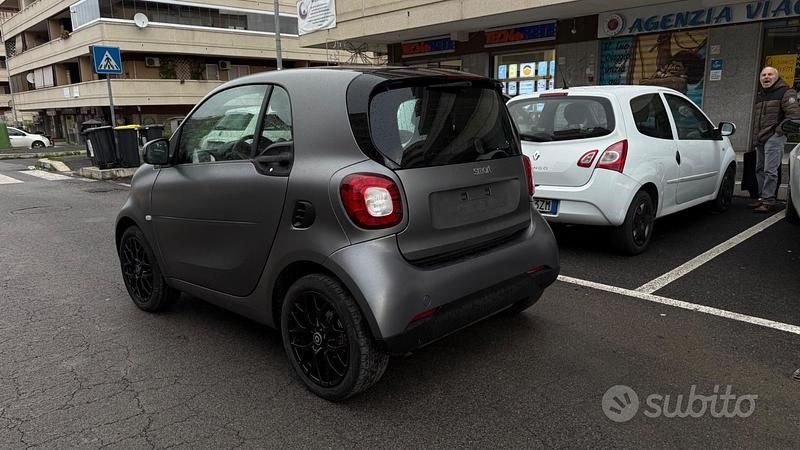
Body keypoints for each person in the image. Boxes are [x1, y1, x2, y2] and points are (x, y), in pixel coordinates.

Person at [750, 66, 800, 212]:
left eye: (770, 74)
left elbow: (795, 117)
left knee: (770, 170)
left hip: (774, 137)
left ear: (776, 77)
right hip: (760, 138)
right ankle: (761, 197)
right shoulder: (761, 94)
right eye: (763, 75)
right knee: (759, 169)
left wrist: (777, 132)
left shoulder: (785, 92)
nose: (766, 77)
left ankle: (768, 200)